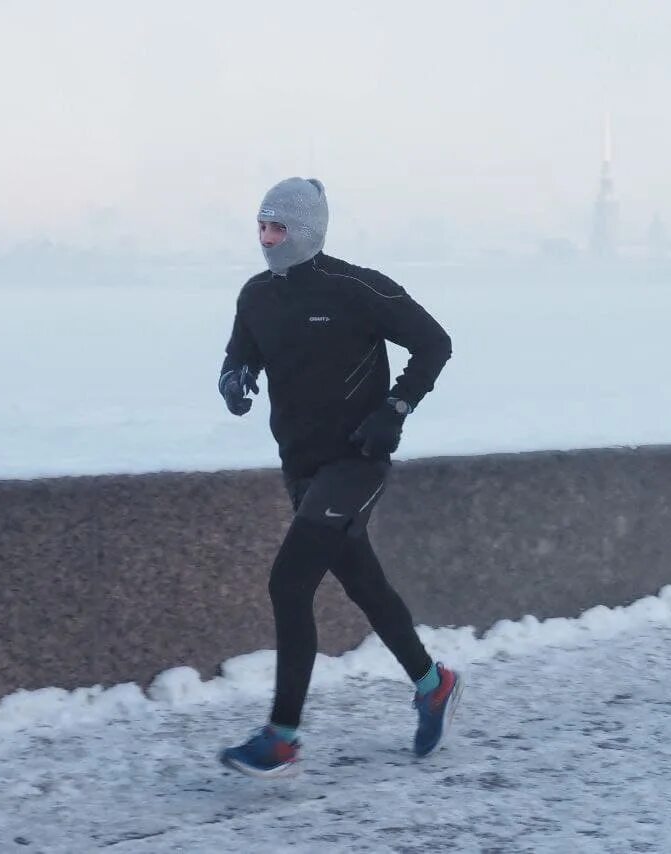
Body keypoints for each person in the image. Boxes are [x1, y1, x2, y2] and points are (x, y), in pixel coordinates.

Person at [216, 177, 463, 777]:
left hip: (356, 462)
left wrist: (395, 409)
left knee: (289, 583)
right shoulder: (256, 297)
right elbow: (239, 355)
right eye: (261, 226)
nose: (267, 239)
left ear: (306, 231)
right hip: (300, 467)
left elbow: (434, 343)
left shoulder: (356, 288)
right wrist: (234, 382)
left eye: (278, 228)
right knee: (364, 584)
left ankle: (282, 737)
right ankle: (434, 684)